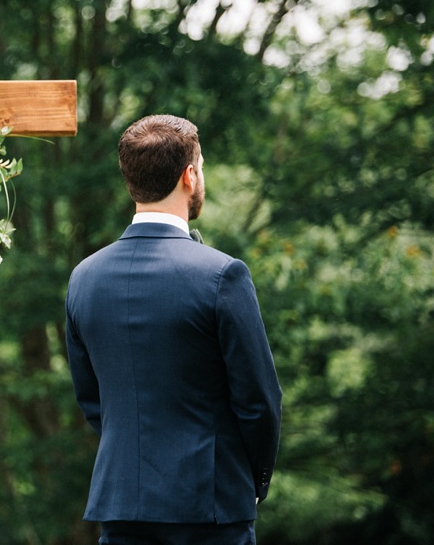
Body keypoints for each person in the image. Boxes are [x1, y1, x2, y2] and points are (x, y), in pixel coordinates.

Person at [65, 114, 282, 545]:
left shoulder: (83, 278)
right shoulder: (223, 275)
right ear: (189, 175)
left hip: (121, 507)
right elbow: (259, 400)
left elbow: (94, 401)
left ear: (131, 180)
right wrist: (251, 482)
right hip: (211, 509)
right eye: (201, 167)